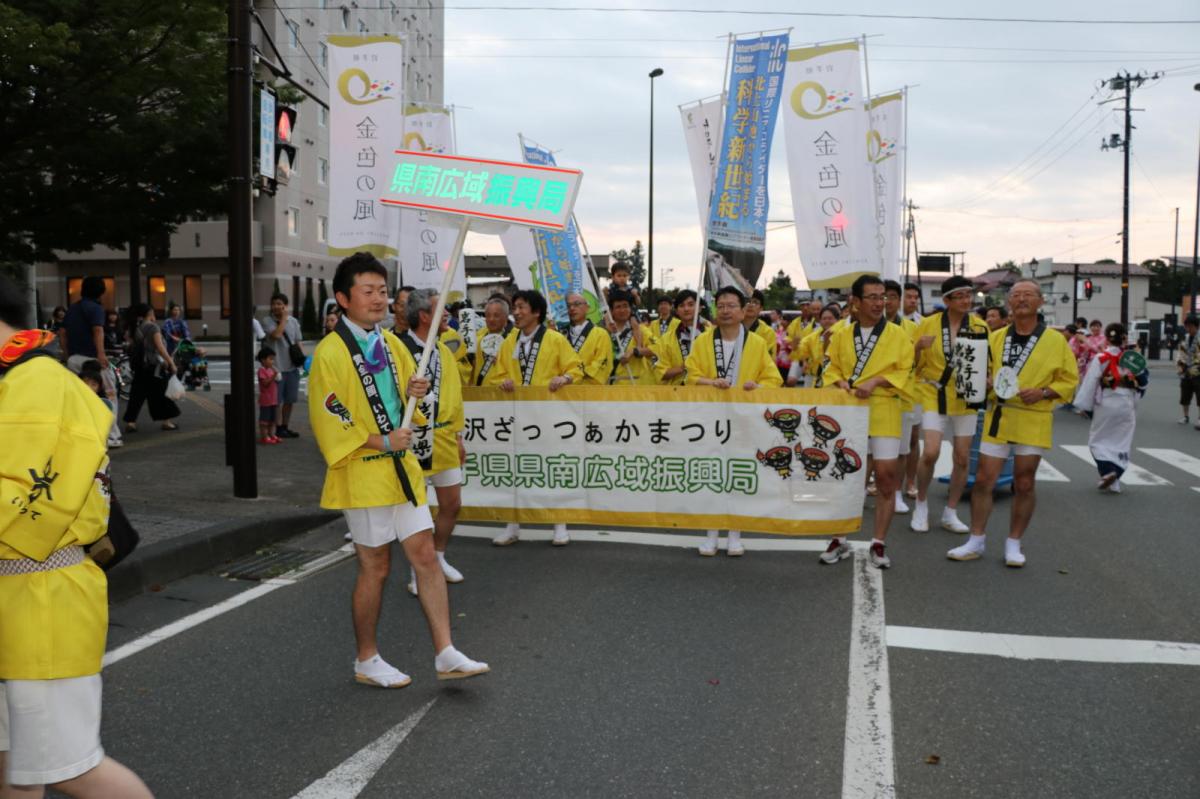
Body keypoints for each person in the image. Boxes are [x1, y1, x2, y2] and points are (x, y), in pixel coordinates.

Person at [0, 275, 154, 798]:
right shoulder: (22, 376)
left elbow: (16, 495)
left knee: (71, 769)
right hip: (25, 599)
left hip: (42, 600)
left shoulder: (33, 383)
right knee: (16, 768)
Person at [308, 253, 488, 687]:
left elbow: (410, 397)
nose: (378, 299)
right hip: (364, 470)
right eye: (367, 291)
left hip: (402, 468)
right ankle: (366, 659)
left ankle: (445, 651)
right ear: (342, 298)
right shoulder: (330, 352)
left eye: (383, 292)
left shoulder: (390, 343)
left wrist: (415, 390)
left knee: (425, 555)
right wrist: (379, 440)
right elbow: (329, 414)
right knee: (376, 566)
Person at [948, 281, 1079, 568]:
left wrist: (1044, 392)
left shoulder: (1055, 341)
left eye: (1028, 295)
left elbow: (1069, 379)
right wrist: (984, 382)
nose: (1021, 300)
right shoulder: (996, 337)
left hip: (1033, 416)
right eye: (1016, 295)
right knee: (983, 480)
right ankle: (976, 539)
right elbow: (978, 371)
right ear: (1009, 302)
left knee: (1024, 482)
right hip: (1000, 414)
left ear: (1040, 302)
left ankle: (1014, 542)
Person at [818, 275, 914, 570]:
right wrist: (839, 383)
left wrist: (875, 381)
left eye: (882, 296)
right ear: (855, 302)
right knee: (847, 477)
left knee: (886, 478)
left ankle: (879, 542)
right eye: (871, 297)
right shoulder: (842, 335)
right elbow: (829, 367)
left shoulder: (897, 334)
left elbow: (905, 370)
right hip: (850, 414)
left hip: (884, 410)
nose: (878, 303)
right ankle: (839, 537)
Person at [685, 286, 782, 556]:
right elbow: (690, 375)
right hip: (711, 417)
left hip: (743, 417)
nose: (725, 311)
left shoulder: (757, 343)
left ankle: (735, 533)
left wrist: (756, 386)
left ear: (744, 310)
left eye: (731, 305)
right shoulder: (704, 341)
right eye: (721, 305)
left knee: (738, 472)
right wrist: (710, 382)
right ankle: (711, 532)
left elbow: (773, 379)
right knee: (714, 472)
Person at [492, 289, 583, 546]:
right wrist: (504, 382)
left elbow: (576, 368)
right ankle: (512, 525)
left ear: (536, 312)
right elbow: (497, 375)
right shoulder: (510, 341)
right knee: (515, 470)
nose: (516, 313)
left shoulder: (555, 340)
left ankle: (559, 523)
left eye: (521, 307)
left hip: (548, 416)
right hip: (518, 416)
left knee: (552, 467)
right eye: (515, 307)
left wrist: (563, 378)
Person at [396, 289, 469, 596]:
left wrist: (457, 435)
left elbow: (453, 396)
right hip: (414, 440)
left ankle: (437, 556)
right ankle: (419, 567)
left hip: (443, 437)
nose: (448, 315)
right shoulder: (397, 349)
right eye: (441, 310)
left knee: (452, 504)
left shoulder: (442, 351)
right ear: (424, 315)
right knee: (420, 509)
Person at [910, 275, 990, 534]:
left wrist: (988, 378)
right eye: (960, 296)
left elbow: (988, 362)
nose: (967, 300)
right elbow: (910, 364)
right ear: (946, 300)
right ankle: (921, 504)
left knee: (962, 457)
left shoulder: (980, 327)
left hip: (966, 396)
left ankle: (951, 511)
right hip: (934, 392)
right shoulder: (928, 324)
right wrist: (918, 349)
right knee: (931, 452)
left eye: (969, 295)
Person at [1074, 323, 1148, 493]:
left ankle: (1108, 472)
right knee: (1122, 440)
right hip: (1126, 402)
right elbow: (1143, 382)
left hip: (1106, 402)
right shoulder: (1132, 358)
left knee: (1098, 440)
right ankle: (1115, 480)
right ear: (1124, 338)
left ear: (1107, 338)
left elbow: (1091, 381)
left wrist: (1085, 405)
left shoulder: (1101, 357)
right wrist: (1135, 399)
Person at [59, 276, 122, 449]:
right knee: (109, 395)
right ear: (101, 292)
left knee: (80, 398)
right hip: (93, 360)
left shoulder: (72, 309)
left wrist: (66, 354)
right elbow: (97, 330)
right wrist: (101, 354)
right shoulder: (96, 308)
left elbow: (62, 332)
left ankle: (82, 433)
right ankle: (112, 435)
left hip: (73, 359)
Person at [882, 280, 922, 514]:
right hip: (874, 397)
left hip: (903, 396)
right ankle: (869, 488)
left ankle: (896, 492)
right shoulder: (865, 327)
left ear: (899, 300)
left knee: (901, 449)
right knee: (868, 447)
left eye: (891, 297)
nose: (886, 302)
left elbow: (919, 364)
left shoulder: (913, 328)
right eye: (882, 297)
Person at [122, 304, 180, 433]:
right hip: (154, 367)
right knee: (162, 394)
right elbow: (160, 348)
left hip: (139, 366)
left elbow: (130, 344)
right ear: (150, 313)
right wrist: (171, 363)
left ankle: (131, 423)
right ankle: (167, 422)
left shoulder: (135, 328)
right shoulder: (153, 327)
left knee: (137, 395)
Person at [654, 289, 707, 385]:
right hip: (678, 395)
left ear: (699, 308)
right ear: (677, 311)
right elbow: (660, 373)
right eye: (681, 305)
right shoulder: (666, 339)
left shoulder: (712, 334)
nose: (686, 309)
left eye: (691, 305)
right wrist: (682, 368)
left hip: (706, 394)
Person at [564, 292, 613, 385]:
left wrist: (571, 376)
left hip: (590, 391)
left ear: (587, 307)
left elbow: (602, 363)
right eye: (569, 305)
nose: (572, 308)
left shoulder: (601, 334)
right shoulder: (561, 334)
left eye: (577, 304)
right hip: (565, 391)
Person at [609, 289, 656, 385]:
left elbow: (658, 349)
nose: (622, 310)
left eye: (625, 306)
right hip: (611, 387)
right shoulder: (604, 333)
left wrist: (635, 351)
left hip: (636, 386)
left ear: (631, 309)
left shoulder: (641, 330)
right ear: (611, 311)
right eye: (618, 307)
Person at [472, 296, 516, 388]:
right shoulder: (477, 341)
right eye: (488, 315)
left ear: (506, 317)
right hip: (481, 393)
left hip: (504, 392)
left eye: (496, 315)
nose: (491, 319)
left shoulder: (514, 340)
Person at [1176, 316, 1199, 427]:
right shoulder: (1185, 339)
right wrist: (1180, 365)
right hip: (1186, 371)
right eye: (1186, 326)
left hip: (1198, 372)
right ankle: (1185, 416)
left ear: (1196, 326)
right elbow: (1181, 354)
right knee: (1185, 395)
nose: (1188, 328)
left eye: (1189, 326)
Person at [743, 289, 778, 362]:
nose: (750, 305)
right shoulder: (732, 327)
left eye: (755, 302)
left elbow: (769, 361)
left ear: (761, 308)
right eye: (748, 301)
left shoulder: (768, 332)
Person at [257, 346, 281, 445]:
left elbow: (277, 380)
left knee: (272, 419)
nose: (272, 362)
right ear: (263, 360)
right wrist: (273, 376)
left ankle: (271, 434)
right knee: (264, 420)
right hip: (266, 400)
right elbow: (265, 383)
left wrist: (277, 376)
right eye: (270, 359)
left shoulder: (271, 370)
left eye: (273, 359)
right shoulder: (261, 370)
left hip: (273, 399)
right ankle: (264, 436)